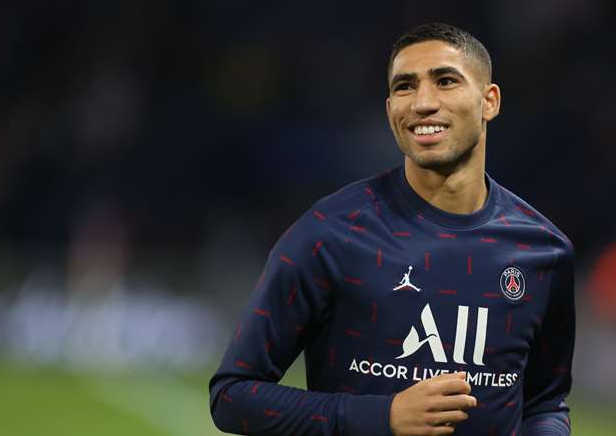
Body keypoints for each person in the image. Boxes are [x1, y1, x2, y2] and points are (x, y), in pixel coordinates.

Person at [209, 22, 575, 436]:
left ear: (489, 101)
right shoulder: (331, 233)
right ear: (389, 111)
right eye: (405, 86)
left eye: (445, 81)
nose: (423, 102)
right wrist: (381, 417)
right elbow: (232, 396)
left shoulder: (544, 251)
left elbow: (545, 404)